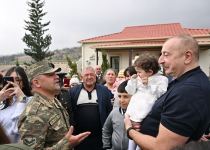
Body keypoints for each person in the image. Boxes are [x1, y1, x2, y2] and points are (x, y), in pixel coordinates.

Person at [124, 34, 210, 150]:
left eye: (166, 54)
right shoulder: (185, 82)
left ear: (187, 56)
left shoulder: (188, 90)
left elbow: (163, 147)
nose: (160, 61)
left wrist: (130, 130)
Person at [18, 61, 90, 150]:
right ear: (36, 83)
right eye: (50, 75)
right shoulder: (34, 114)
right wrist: (65, 145)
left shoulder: (54, 101)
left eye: (56, 73)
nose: (57, 77)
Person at [125, 54, 168, 150]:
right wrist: (132, 81)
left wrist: (148, 84)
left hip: (146, 114)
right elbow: (130, 91)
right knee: (131, 143)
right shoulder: (138, 78)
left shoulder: (162, 79)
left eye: (139, 72)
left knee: (141, 143)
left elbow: (162, 94)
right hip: (133, 111)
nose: (138, 74)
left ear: (150, 72)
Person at [68, 66, 113, 150]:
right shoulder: (73, 91)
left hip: (99, 138)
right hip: (79, 138)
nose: (89, 77)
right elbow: (70, 113)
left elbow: (109, 111)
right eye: (86, 75)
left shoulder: (104, 91)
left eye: (92, 74)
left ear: (95, 76)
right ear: (82, 77)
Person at [0, 66, 32, 143]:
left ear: (23, 83)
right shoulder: (2, 101)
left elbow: (17, 129)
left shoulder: (30, 100)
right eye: (10, 79)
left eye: (17, 80)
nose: (13, 83)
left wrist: (21, 99)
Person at [102, 80, 130, 150]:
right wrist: (106, 146)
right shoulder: (114, 112)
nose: (121, 100)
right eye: (119, 96)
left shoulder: (139, 116)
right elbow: (106, 130)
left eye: (125, 97)